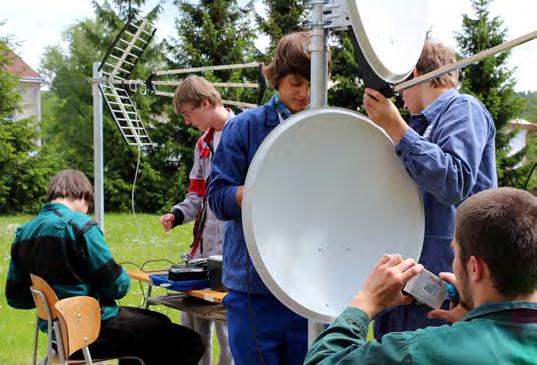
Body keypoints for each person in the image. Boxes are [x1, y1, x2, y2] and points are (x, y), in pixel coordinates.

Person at [305, 187, 537, 364]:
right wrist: (475, 323)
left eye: (455, 252)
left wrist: (365, 303)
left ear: (475, 267)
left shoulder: (416, 352)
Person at [207, 31, 329, 365]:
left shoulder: (332, 129)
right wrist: (254, 193)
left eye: (313, 83)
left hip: (316, 284)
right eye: (296, 83)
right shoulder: (244, 128)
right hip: (255, 291)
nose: (305, 94)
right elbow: (217, 197)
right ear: (276, 79)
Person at [362, 40, 497, 337]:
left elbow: (454, 182)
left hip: (446, 292)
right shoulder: (420, 127)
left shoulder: (464, 109)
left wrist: (398, 129)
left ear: (413, 74)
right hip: (411, 289)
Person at [6, 169, 204, 365]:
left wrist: (52, 303)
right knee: (189, 342)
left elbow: (16, 298)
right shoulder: (79, 225)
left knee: (155, 321)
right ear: (82, 195)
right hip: (90, 334)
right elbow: (119, 287)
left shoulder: (23, 233)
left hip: (57, 337)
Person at [160, 75, 234, 365]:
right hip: (203, 252)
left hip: (232, 252)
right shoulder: (203, 144)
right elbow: (197, 195)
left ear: (205, 104)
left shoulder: (241, 132)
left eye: (189, 115)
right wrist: (177, 214)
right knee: (193, 325)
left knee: (228, 332)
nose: (188, 122)